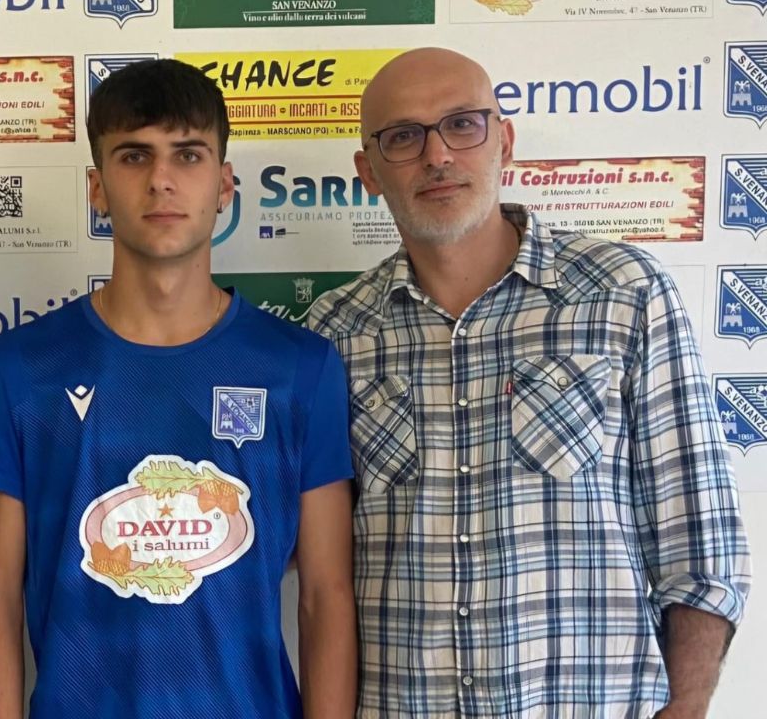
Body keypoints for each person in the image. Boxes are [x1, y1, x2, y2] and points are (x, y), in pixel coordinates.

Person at [307, 47, 753, 718]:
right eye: (403, 137)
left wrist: (684, 709)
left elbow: (701, 546)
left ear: (505, 141)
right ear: (368, 171)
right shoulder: (335, 331)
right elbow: (313, 563)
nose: (437, 156)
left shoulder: (624, 294)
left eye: (463, 124)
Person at [0, 58, 356, 718]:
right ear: (97, 189)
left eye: (188, 154)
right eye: (134, 156)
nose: (162, 179)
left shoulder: (300, 368)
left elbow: (325, 596)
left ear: (225, 184)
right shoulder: (22, 369)